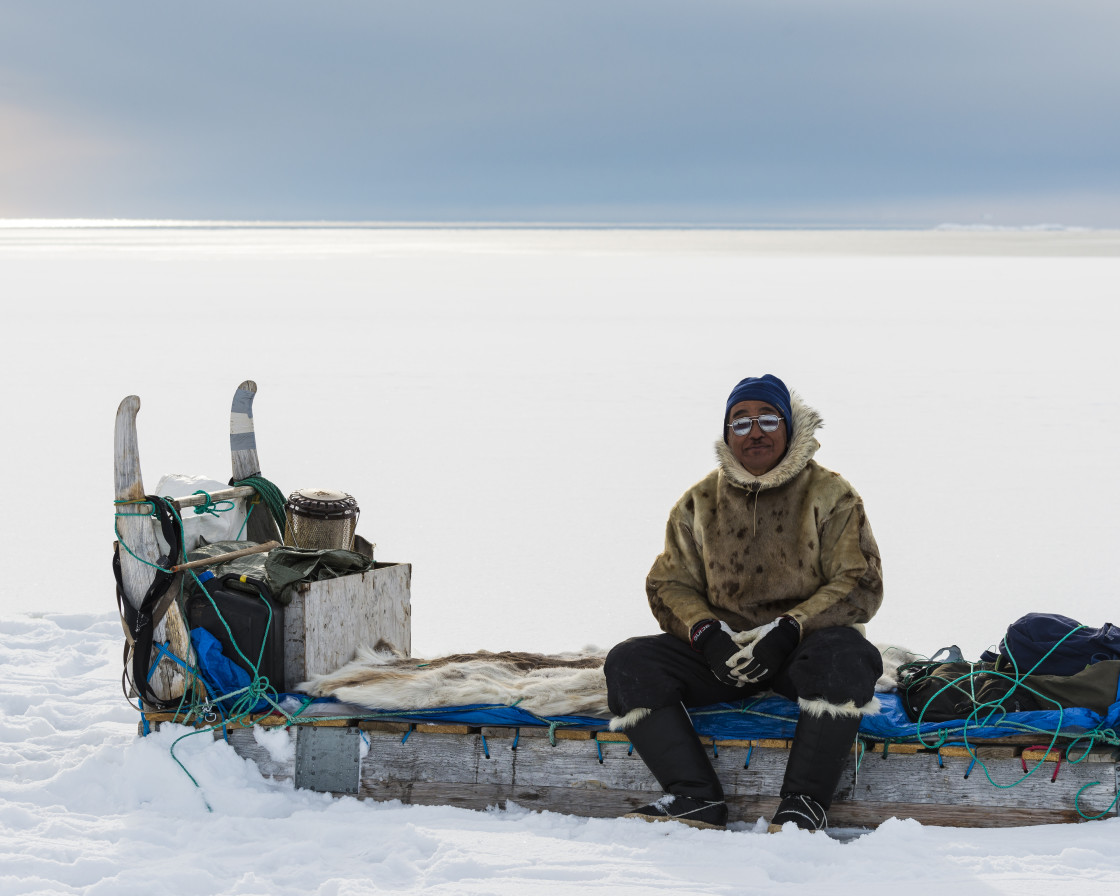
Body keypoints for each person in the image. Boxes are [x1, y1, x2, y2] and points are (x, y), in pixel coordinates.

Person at [604, 374, 884, 832]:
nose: (755, 431)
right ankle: (694, 799)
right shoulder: (696, 503)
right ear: (727, 433)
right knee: (630, 661)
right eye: (741, 422)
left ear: (789, 428)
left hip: (800, 653)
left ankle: (803, 805)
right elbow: (668, 584)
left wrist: (791, 628)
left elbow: (860, 582)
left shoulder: (833, 495)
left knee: (849, 657)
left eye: (768, 418)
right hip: (724, 658)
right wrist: (705, 633)